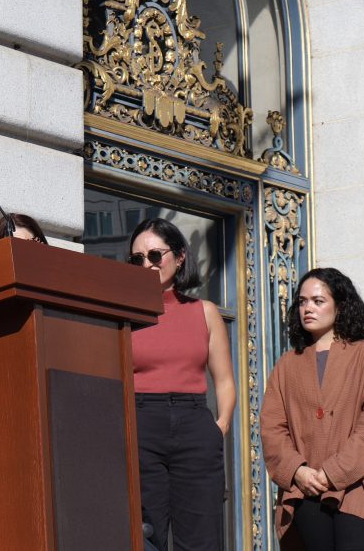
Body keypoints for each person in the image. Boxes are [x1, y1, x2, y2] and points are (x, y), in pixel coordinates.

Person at [128, 217, 236, 550]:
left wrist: (218, 428)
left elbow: (225, 381)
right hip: (141, 423)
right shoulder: (124, 312)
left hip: (194, 426)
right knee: (146, 536)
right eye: (137, 259)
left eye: (155, 255)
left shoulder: (204, 311)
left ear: (179, 257)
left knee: (202, 539)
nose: (147, 264)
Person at [261, 267, 364, 551]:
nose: (307, 309)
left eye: (318, 300)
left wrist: (333, 472)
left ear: (340, 306)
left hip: (358, 489)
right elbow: (272, 428)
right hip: (305, 491)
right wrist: (298, 471)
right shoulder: (287, 364)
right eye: (302, 302)